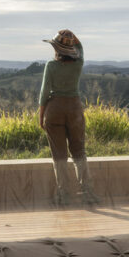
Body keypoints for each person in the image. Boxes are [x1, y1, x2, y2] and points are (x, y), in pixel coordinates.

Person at [38, 29, 99, 206]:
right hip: (74, 108)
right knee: (79, 151)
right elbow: (80, 47)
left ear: (56, 49)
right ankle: (87, 192)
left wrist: (41, 116)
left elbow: (44, 93)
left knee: (59, 155)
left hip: (54, 109)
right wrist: (71, 37)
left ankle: (63, 194)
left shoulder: (51, 65)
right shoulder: (78, 63)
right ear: (71, 50)